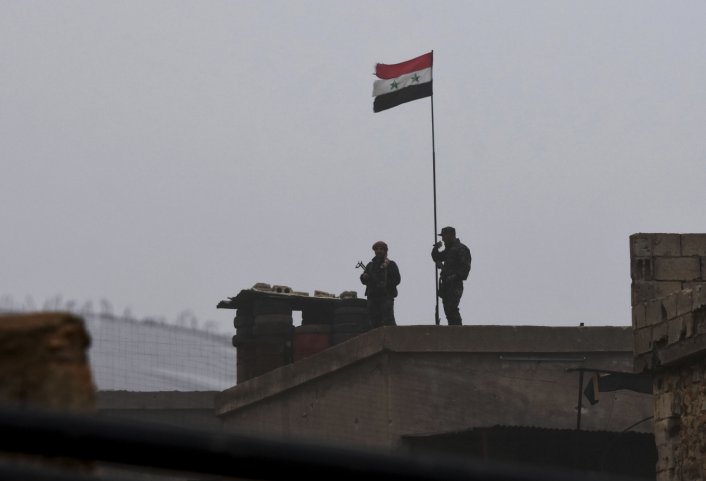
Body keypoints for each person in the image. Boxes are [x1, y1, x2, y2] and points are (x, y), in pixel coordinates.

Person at [431, 226, 471, 325]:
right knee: (447, 309)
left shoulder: (461, 248)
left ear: (451, 236)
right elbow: (437, 257)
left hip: (455, 284)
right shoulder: (449, 250)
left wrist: (455, 276)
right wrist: (435, 248)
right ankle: (453, 327)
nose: (443, 239)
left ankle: (457, 330)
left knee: (451, 308)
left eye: (444, 236)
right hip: (446, 285)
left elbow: (465, 267)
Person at [360, 241, 401, 327]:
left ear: (385, 251)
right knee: (373, 322)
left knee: (388, 321)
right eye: (377, 249)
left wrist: (384, 284)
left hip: (386, 296)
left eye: (381, 249)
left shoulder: (390, 264)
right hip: (372, 297)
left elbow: (397, 279)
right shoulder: (370, 265)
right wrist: (364, 277)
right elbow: (363, 280)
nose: (379, 251)